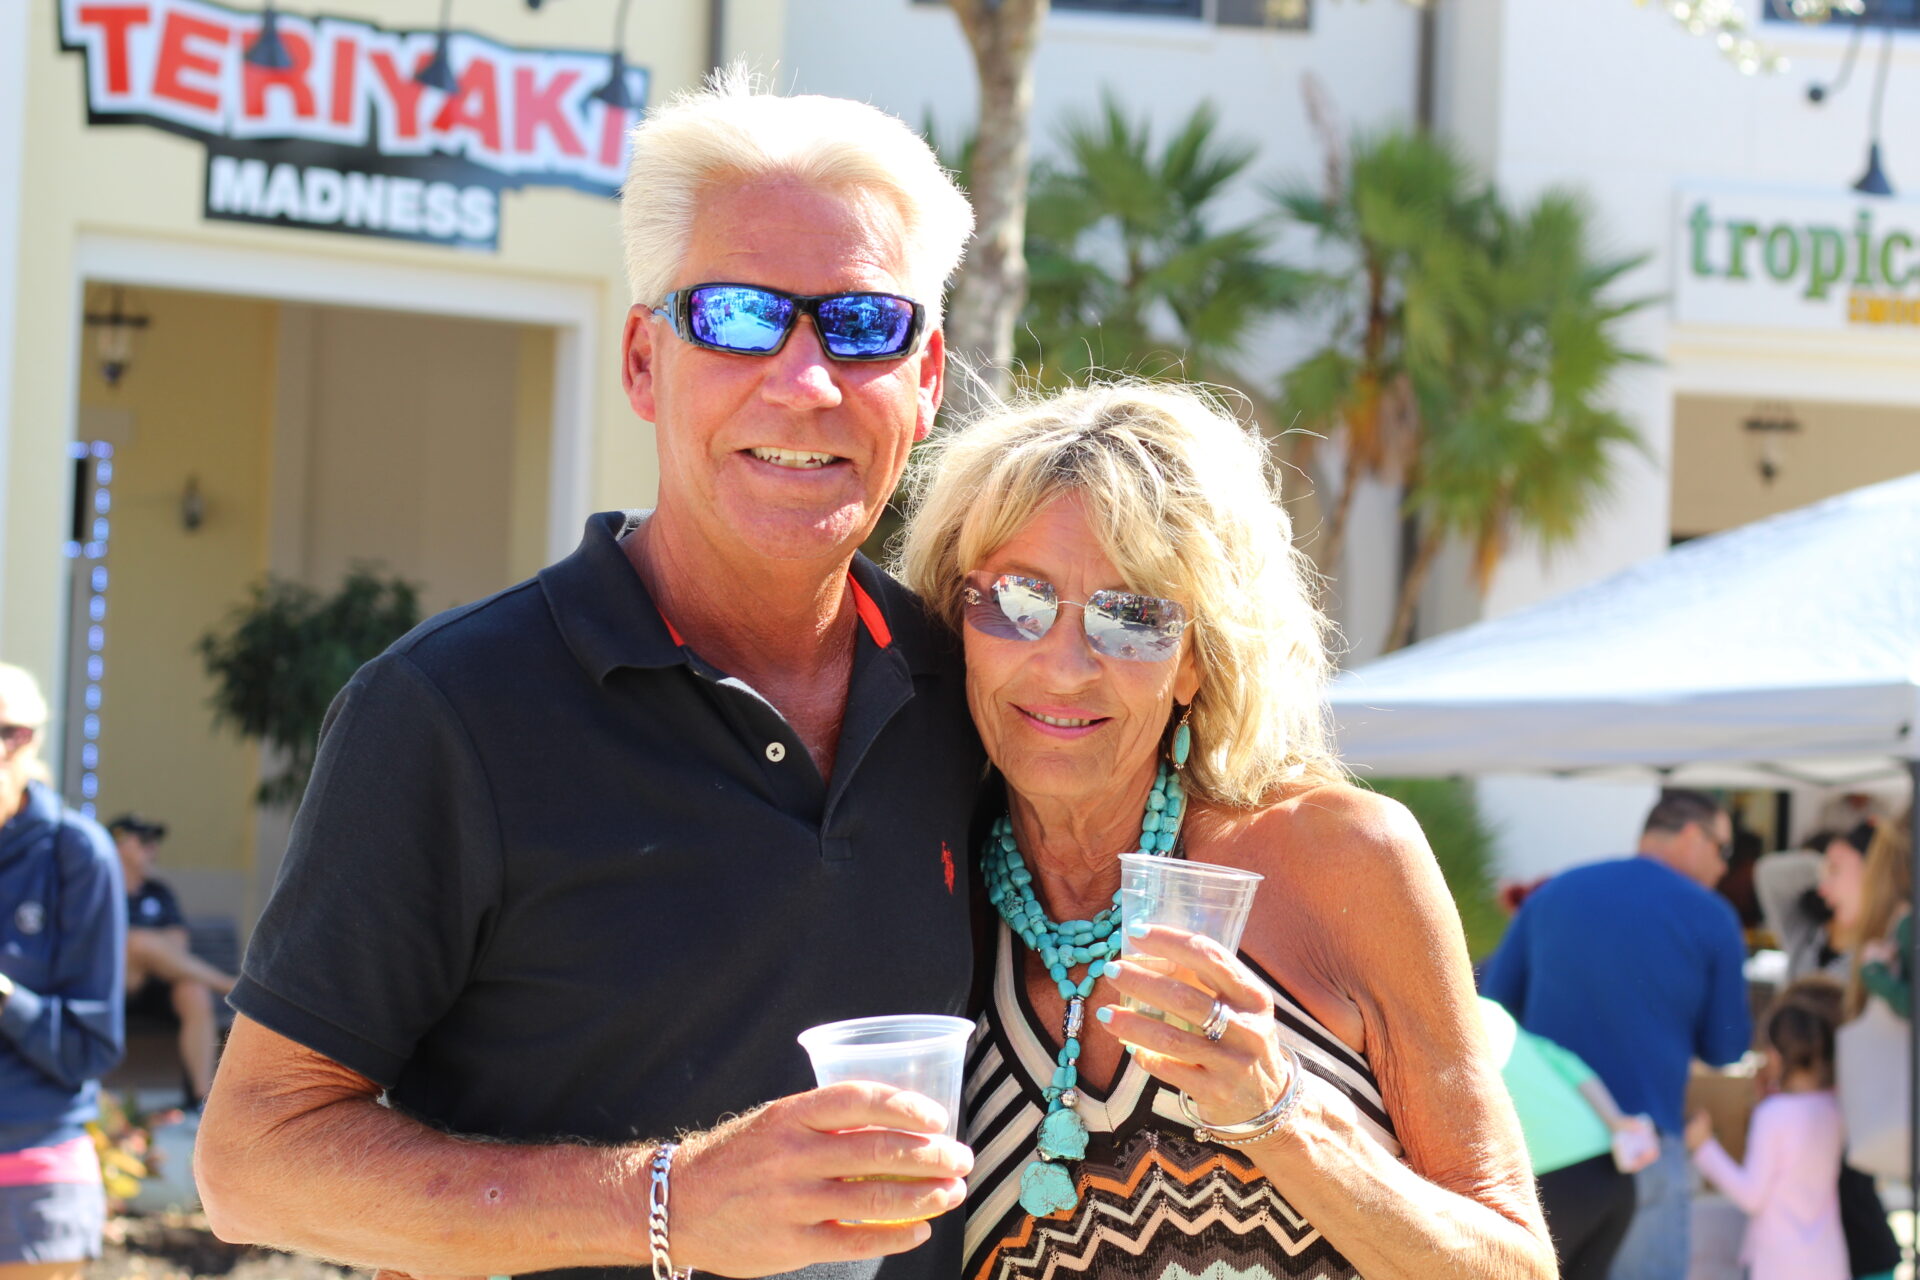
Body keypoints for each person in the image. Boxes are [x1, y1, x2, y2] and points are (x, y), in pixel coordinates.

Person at [195, 72, 985, 1280]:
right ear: (640, 359)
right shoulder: (450, 711)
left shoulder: (980, 694)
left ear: (924, 379)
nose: (804, 378)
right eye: (734, 314)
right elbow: (252, 1159)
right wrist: (666, 1202)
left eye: (862, 324)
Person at [897, 383, 1555, 1279]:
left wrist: (1281, 1117)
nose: (1064, 664)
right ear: (954, 621)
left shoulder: (1343, 861)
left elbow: (1515, 1266)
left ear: (1198, 660)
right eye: (1017, 598)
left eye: (1132, 616)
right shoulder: (930, 901)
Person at [1480, 788, 1752, 1280]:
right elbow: (1726, 1047)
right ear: (1692, 835)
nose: (1724, 869)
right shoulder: (1712, 916)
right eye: (1724, 851)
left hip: (1547, 1154)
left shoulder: (1554, 894)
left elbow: (1495, 1006)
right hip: (1646, 1145)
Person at [0, 662, 125, 1280]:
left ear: (25, 739)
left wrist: (4, 998)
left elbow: (91, 1047)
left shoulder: (77, 854)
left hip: (31, 1177)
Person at [1685, 981, 1849, 1280]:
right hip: (1829, 1261)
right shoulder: (1835, 1107)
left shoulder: (1774, 1115)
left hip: (1779, 1264)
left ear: (1775, 1055)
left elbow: (1751, 1195)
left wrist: (1704, 1147)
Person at [1480, 997, 1653, 1280]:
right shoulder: (1489, 1010)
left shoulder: (1433, 1021)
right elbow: (1567, 1064)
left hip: (1549, 1183)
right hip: (1609, 1172)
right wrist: (1615, 1121)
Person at [107, 814, 236, 1109]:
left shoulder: (159, 893)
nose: (153, 849)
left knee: (193, 990)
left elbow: (179, 947)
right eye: (144, 841)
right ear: (119, 845)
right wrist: (145, 944)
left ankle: (200, 1098)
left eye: (154, 843)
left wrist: (149, 948)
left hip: (156, 987)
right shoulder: (99, 887)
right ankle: (230, 985)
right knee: (137, 942)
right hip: (114, 985)